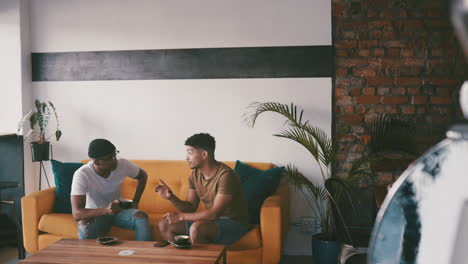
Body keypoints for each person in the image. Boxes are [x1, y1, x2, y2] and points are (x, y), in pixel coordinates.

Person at [155, 133, 250, 245]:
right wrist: (171, 197)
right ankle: (180, 258)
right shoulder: (195, 175)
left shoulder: (226, 176)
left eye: (190, 152)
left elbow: (214, 214)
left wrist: (180, 216)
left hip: (234, 223)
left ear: (204, 154)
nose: (186, 157)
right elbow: (190, 208)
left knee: (196, 228)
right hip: (213, 221)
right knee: (164, 224)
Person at [70, 138, 152, 241]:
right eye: (109, 158)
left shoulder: (123, 165)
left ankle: (143, 254)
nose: (115, 160)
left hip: (118, 211)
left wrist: (136, 201)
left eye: (115, 155)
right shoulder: (82, 174)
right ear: (96, 162)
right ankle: (89, 255)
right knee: (83, 222)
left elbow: (143, 176)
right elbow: (77, 214)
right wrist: (105, 210)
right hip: (96, 214)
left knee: (141, 216)